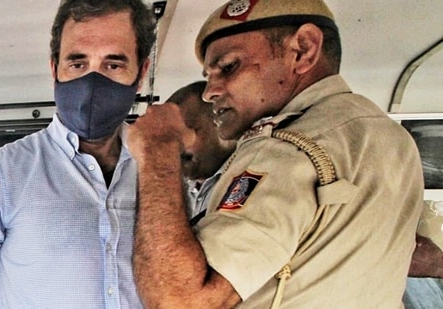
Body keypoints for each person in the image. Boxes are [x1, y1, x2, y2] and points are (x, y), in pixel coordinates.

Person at [126, 0, 425, 308]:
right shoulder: (391, 137)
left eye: (228, 67)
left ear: (303, 49)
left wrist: (159, 150)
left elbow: (178, 300)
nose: (209, 91)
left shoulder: (286, 148)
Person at [0, 0, 156, 308]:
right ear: (55, 68)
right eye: (78, 63)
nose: (92, 83)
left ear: (141, 72)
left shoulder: (164, 172)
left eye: (113, 64)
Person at [166, 80, 237, 222]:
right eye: (170, 137)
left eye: (187, 132)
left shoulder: (244, 181)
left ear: (220, 125)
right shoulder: (182, 188)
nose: (176, 147)